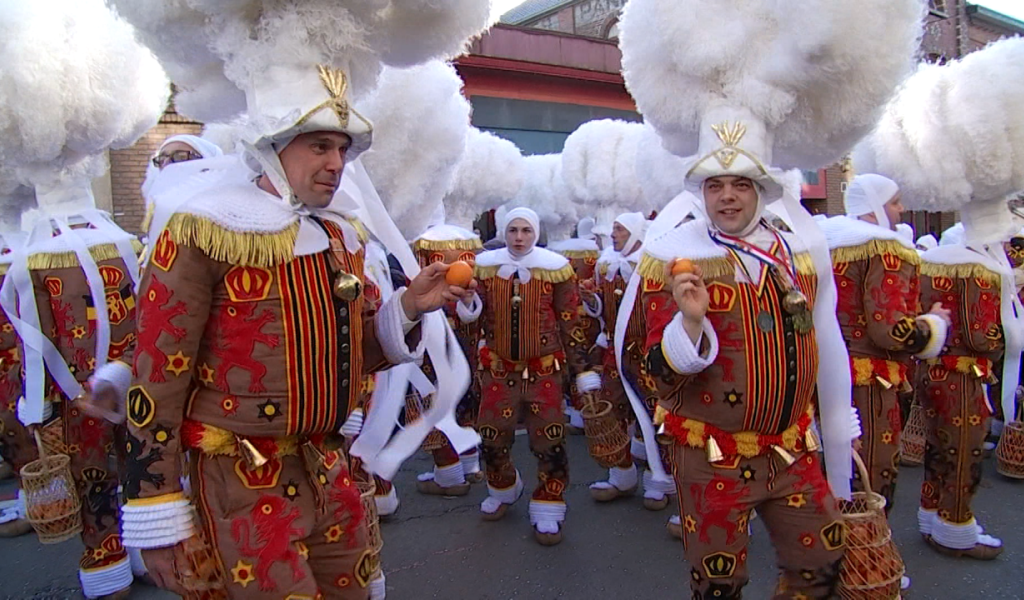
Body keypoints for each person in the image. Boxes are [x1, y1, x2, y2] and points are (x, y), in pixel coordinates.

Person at [116, 64, 473, 598]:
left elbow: (356, 351)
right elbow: (156, 380)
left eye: (342, 151)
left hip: (332, 467)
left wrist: (408, 307)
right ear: (271, 147)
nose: (336, 164)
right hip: (239, 475)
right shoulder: (203, 230)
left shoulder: (339, 235)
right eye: (320, 146)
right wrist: (156, 506)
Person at [821, 174, 951, 590]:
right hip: (869, 380)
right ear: (874, 205)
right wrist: (933, 325)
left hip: (823, 373)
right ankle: (864, 565)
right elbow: (889, 330)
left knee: (831, 469)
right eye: (894, 203)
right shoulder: (885, 249)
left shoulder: (824, 243)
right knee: (873, 475)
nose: (898, 211)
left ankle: (829, 558)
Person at [462, 207, 600, 545]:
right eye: (513, 231)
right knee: (492, 434)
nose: (519, 237)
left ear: (535, 233)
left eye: (525, 230)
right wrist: (468, 303)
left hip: (545, 373)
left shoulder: (556, 270)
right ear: (504, 233)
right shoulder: (486, 267)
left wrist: (582, 372)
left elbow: (571, 322)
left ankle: (549, 500)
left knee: (549, 438)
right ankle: (503, 485)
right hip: (498, 370)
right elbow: (474, 315)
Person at [584, 213, 677, 520]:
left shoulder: (653, 266)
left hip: (647, 354)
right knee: (612, 411)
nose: (614, 234)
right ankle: (621, 474)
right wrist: (591, 300)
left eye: (620, 229)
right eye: (613, 229)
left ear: (636, 233)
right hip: (615, 352)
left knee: (655, 416)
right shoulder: (607, 266)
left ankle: (659, 479)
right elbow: (601, 312)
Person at [410, 224, 485, 495]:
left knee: (435, 408)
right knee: (463, 405)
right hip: (465, 352)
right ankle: (469, 465)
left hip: (436, 354)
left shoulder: (429, 287)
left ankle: (450, 475)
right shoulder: (471, 285)